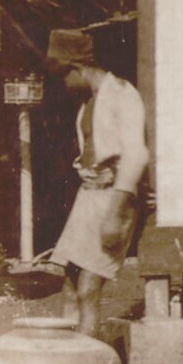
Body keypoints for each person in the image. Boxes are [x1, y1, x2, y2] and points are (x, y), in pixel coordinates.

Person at [45, 29, 149, 339]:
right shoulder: (89, 102)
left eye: (64, 76)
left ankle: (88, 357)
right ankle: (70, 356)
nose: (64, 84)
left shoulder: (122, 94)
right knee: (69, 286)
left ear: (77, 68)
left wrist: (115, 215)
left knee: (88, 289)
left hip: (113, 199)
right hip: (88, 198)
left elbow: (136, 157)